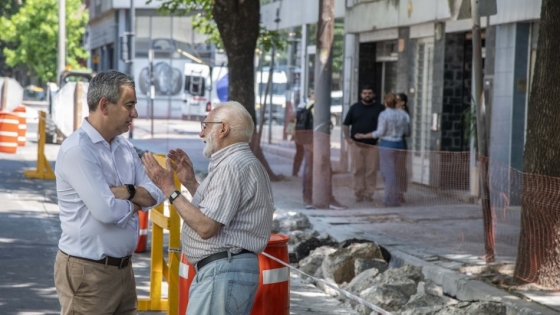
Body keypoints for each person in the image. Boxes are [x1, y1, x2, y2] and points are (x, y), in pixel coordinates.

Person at [141, 101, 275, 315]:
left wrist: (168, 188)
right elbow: (221, 212)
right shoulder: (240, 162)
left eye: (206, 125)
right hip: (225, 272)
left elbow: (206, 227)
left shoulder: (233, 165)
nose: (201, 133)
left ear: (223, 129)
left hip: (222, 273)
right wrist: (192, 184)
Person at [53, 70, 165, 315]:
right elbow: (106, 211)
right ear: (104, 105)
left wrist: (126, 191)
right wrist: (137, 202)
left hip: (123, 270)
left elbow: (157, 192)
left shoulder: (123, 147)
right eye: (129, 105)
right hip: (88, 274)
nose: (134, 113)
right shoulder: (79, 151)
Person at [355, 93, 410, 207]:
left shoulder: (384, 114)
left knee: (387, 173)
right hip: (400, 143)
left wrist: (364, 136)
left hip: (387, 144)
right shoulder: (404, 115)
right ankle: (396, 198)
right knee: (396, 172)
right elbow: (407, 132)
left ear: (386, 103)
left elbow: (379, 132)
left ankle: (388, 200)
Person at [298, 92, 347, 210]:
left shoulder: (305, 105)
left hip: (308, 140)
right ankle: (326, 197)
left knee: (309, 168)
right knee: (324, 169)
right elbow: (321, 125)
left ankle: (308, 198)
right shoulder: (316, 106)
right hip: (315, 142)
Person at [342, 85, 386, 202]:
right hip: (356, 144)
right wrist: (347, 138)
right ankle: (358, 193)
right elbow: (346, 124)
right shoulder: (355, 108)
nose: (367, 95)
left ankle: (369, 194)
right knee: (357, 169)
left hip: (373, 145)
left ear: (374, 95)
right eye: (365, 93)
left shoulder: (380, 108)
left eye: (370, 93)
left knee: (371, 170)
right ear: (361, 95)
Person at [396, 93, 410, 203]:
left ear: (402, 102)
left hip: (400, 142)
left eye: (397, 100)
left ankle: (400, 192)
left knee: (400, 168)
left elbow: (407, 132)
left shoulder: (404, 114)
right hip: (389, 143)